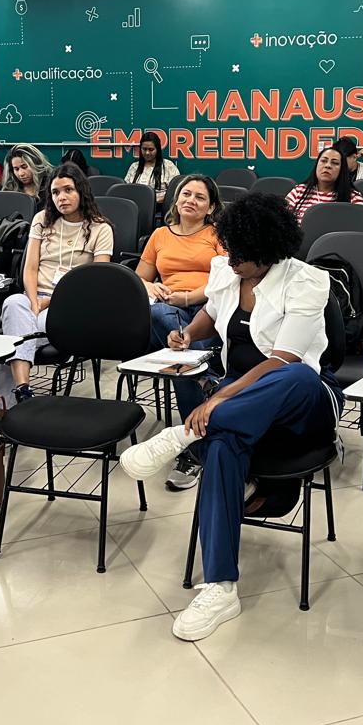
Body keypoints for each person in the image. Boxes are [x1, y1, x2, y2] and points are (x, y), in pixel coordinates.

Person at [119, 193, 343, 641]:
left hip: (301, 402)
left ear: (270, 251)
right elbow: (210, 312)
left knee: (296, 375)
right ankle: (220, 587)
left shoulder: (307, 281)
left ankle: (183, 436)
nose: (234, 261)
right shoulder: (227, 270)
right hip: (239, 410)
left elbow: (283, 358)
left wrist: (219, 400)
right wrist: (187, 334)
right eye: (232, 251)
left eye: (244, 255)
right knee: (222, 447)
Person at [0, 163, 113, 406]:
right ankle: (23, 390)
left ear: (81, 191)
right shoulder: (42, 219)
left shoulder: (101, 228)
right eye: (55, 192)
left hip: (70, 304)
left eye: (68, 190)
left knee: (14, 336)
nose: (61, 197)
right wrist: (33, 300)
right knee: (13, 303)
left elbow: (96, 280)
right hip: (34, 298)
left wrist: (48, 302)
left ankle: (5, 406)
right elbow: (30, 268)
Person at [135, 174, 225, 490]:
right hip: (166, 313)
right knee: (159, 314)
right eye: (186, 194)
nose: (191, 200)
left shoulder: (217, 235)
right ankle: (203, 380)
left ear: (211, 207)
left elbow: (225, 281)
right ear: (176, 199)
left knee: (179, 360)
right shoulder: (160, 235)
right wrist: (152, 287)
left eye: (200, 197)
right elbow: (140, 278)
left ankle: (192, 447)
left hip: (208, 310)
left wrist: (186, 298)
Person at [284, 145, 363, 224]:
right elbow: (281, 222)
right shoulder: (299, 191)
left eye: (335, 163)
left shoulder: (352, 197)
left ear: (342, 170)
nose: (328, 166)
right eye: (323, 161)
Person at [124, 129, 180, 206]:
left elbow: (176, 191)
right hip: (135, 206)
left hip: (160, 207)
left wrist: (152, 200)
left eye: (151, 149)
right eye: (144, 149)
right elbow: (126, 189)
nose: (147, 153)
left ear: (158, 150)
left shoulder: (168, 166)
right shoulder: (134, 167)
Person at [2, 143, 53, 209]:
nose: (21, 173)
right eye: (16, 169)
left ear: (36, 164)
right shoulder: (9, 190)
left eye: (24, 167)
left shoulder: (51, 185)